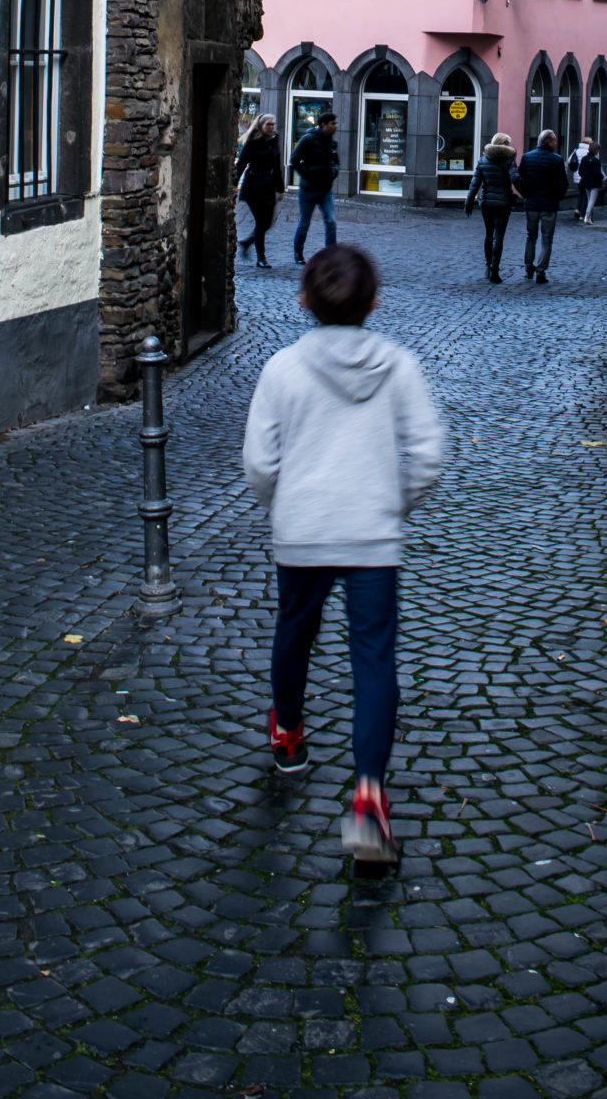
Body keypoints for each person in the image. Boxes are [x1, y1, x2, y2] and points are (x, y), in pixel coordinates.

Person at [242, 243, 445, 862]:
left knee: (294, 633)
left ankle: (288, 736)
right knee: (374, 660)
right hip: (372, 538)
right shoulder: (399, 367)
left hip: (302, 532)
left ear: (303, 300)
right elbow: (430, 455)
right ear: (374, 303)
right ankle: (368, 797)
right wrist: (393, 502)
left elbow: (258, 462)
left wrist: (282, 503)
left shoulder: (281, 369)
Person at [514, 128, 569, 283]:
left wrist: (526, 194)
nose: (556, 143)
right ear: (548, 142)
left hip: (532, 204)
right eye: (554, 140)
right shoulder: (556, 159)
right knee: (547, 239)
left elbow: (519, 179)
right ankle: (541, 270)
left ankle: (528, 267)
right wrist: (557, 197)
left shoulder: (527, 157)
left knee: (530, 237)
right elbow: (563, 184)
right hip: (549, 205)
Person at [464, 131, 518, 282]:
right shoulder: (509, 161)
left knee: (489, 234)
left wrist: (469, 200)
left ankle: (488, 266)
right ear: (504, 145)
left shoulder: (483, 161)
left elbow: (475, 182)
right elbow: (515, 178)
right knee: (498, 236)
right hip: (503, 203)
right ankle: (495, 269)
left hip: (487, 202)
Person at [290, 110, 339, 263]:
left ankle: (331, 254)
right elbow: (294, 159)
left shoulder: (332, 142)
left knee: (331, 221)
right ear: (324, 124)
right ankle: (298, 252)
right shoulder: (308, 139)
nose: (335, 126)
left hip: (325, 190)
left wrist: (333, 172)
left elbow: (336, 162)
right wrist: (308, 175)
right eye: (333, 124)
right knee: (304, 223)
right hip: (308, 190)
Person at [236, 114, 285, 267]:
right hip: (253, 186)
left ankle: (246, 242)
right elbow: (241, 163)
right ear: (261, 126)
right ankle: (261, 257)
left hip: (268, 186)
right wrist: (233, 184)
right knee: (260, 221)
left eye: (273, 124)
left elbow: (277, 167)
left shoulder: (274, 141)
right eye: (268, 124)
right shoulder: (252, 142)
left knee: (267, 222)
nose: (271, 127)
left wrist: (280, 189)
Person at [575, 138, 604, 223]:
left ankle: (589, 218)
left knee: (588, 199)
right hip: (594, 183)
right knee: (592, 201)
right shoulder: (596, 160)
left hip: (586, 182)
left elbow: (580, 171)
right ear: (596, 150)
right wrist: (602, 178)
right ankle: (587, 217)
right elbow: (597, 173)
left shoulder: (584, 159)